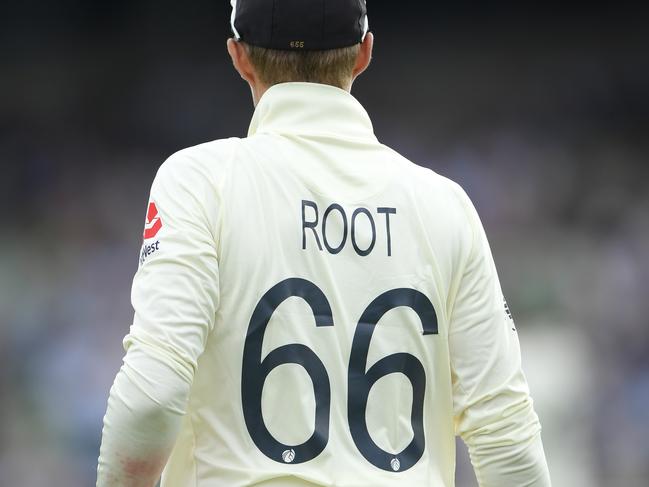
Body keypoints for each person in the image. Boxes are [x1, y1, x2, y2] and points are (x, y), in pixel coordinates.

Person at [97, 0, 551, 485]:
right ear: (364, 54)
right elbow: (507, 440)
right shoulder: (444, 205)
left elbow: (152, 400)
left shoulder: (200, 183)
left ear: (238, 56)